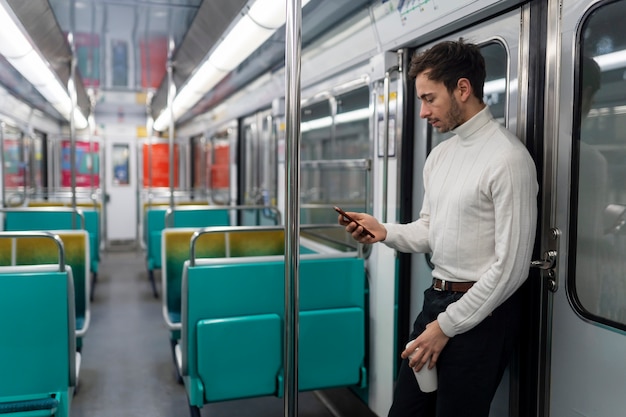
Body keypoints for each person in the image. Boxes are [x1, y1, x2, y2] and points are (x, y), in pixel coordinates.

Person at [338, 40, 538, 416]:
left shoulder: (508, 159)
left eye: (429, 99)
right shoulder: (441, 155)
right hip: (437, 302)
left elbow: (510, 268)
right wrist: (385, 232)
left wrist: (446, 326)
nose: (423, 112)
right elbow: (431, 228)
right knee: (406, 411)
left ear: (462, 89)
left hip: (483, 315)